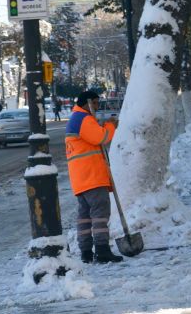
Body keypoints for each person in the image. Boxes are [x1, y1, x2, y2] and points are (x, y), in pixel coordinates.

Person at [65, 90, 123, 264]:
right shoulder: (83, 119)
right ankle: (102, 250)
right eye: (95, 103)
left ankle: (86, 252)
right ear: (86, 103)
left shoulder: (75, 119)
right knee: (100, 214)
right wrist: (111, 125)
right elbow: (101, 137)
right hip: (92, 176)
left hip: (81, 178)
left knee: (84, 216)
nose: (97, 107)